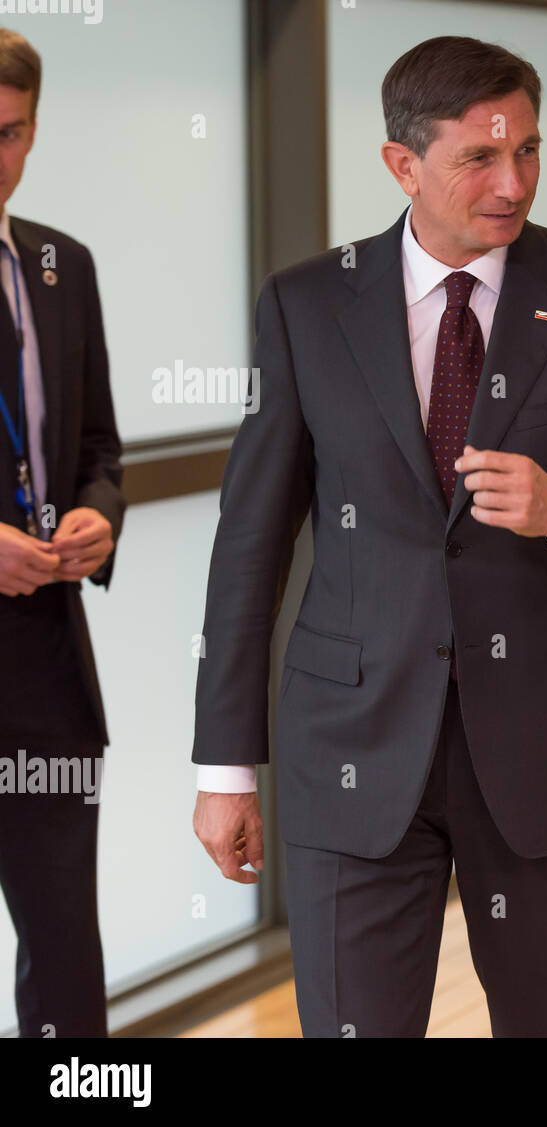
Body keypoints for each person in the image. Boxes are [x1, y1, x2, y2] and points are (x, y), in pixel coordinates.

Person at [190, 35, 547, 1038]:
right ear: (402, 163)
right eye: (479, 156)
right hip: (351, 746)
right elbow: (248, 540)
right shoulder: (306, 305)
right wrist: (223, 766)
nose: (510, 182)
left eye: (527, 152)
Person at [0, 28, 124, 1038]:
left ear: (34, 134)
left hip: (45, 665)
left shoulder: (59, 264)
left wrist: (99, 514)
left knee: (65, 948)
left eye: (6, 133)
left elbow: (99, 444)